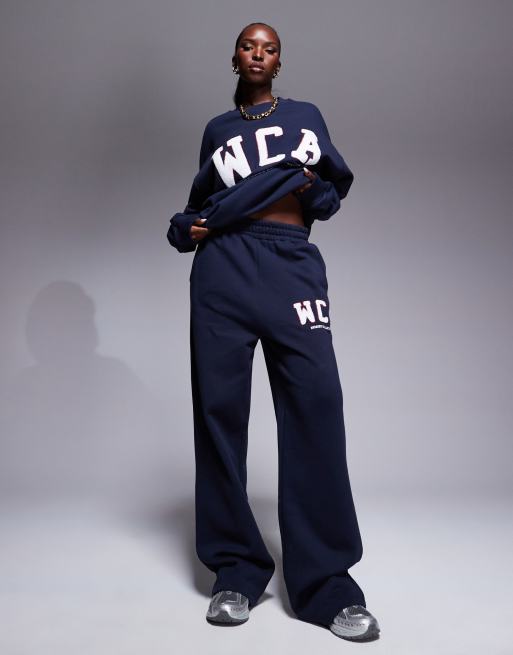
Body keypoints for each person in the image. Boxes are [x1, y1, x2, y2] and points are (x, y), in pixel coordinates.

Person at [167, 22, 381, 642]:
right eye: (248, 45)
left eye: (270, 48)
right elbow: (200, 204)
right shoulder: (218, 130)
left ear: (278, 62)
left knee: (317, 406)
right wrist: (195, 226)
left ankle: (326, 584)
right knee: (219, 413)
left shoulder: (305, 117)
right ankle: (235, 569)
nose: (258, 53)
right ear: (234, 56)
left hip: (290, 263)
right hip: (223, 270)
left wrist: (308, 185)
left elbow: (329, 196)